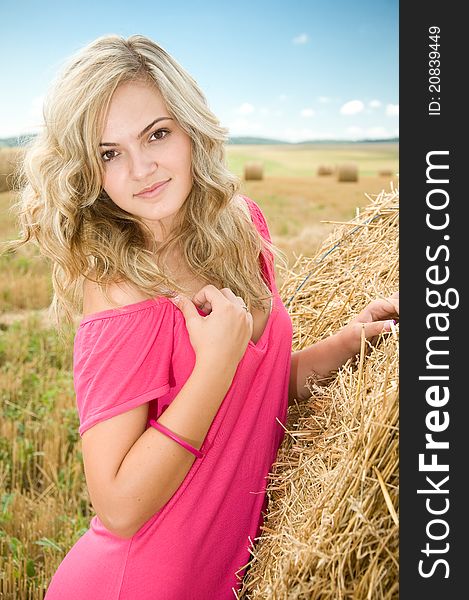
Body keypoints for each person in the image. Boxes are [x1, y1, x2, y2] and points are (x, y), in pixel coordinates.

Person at [5, 34, 399, 599]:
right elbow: (118, 507)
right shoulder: (120, 294)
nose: (141, 169)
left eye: (157, 134)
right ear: (87, 169)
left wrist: (349, 341)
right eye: (108, 152)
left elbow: (256, 397)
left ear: (191, 127)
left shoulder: (242, 231)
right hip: (144, 584)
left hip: (230, 574)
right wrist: (214, 365)